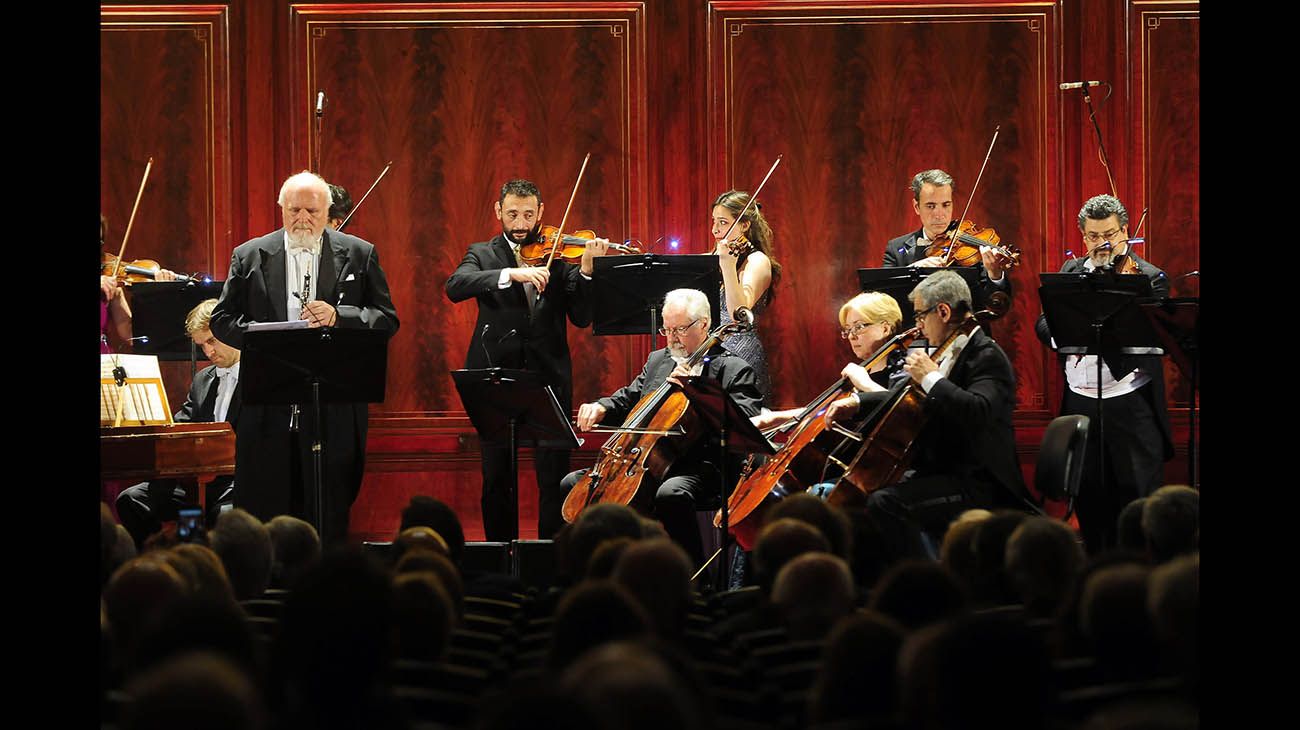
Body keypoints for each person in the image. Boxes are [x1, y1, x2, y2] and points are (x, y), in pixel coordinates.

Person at [210, 170, 399, 546]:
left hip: (333, 405)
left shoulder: (359, 252)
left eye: (312, 212)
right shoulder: (249, 254)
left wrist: (339, 316)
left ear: (329, 211)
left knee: (327, 508)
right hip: (267, 403)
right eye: (294, 210)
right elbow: (221, 319)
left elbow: (387, 319)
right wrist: (266, 338)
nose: (302, 220)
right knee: (266, 508)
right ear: (281, 209)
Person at [825, 270, 1036, 561]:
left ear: (944, 311)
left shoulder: (986, 355)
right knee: (865, 498)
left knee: (885, 503)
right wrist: (858, 403)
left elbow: (978, 411)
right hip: (941, 470)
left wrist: (931, 379)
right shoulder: (949, 352)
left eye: (921, 316)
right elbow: (911, 402)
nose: (919, 326)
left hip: (977, 480)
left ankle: (933, 585)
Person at [444, 179, 612, 541]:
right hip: (496, 379)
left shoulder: (560, 253)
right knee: (496, 478)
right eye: (513, 214)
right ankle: (499, 555)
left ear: (541, 212)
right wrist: (511, 274)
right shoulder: (482, 253)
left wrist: (585, 271)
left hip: (547, 379)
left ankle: (549, 560)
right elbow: (456, 285)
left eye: (529, 214)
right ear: (498, 211)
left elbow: (582, 316)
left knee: (552, 478)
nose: (521, 223)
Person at [560, 287, 762, 563]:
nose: (672, 338)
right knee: (572, 483)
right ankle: (604, 567)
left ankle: (691, 573)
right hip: (646, 461)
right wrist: (601, 406)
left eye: (679, 329)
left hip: (702, 464)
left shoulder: (733, 368)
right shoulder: (659, 361)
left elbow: (746, 421)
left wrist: (698, 390)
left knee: (671, 494)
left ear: (704, 324)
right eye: (667, 330)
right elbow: (630, 396)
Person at [1034, 193, 1172, 554]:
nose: (1103, 244)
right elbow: (1046, 321)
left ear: (1126, 231)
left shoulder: (1150, 277)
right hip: (1080, 399)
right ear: (1083, 237)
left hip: (1130, 403)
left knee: (1137, 497)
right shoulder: (1070, 272)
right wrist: (1060, 336)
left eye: (1110, 234)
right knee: (1088, 494)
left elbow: (1146, 333)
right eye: (1094, 237)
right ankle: (1096, 569)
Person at [115, 299, 241, 547]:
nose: (208, 352)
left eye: (211, 341)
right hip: (197, 482)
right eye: (201, 345)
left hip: (238, 480)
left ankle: (209, 573)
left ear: (229, 331)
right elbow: (182, 423)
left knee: (223, 515)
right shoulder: (202, 379)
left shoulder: (258, 375)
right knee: (131, 500)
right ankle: (164, 564)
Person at [884, 169, 1011, 306]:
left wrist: (995, 275)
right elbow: (884, 301)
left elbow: (996, 305)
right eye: (931, 206)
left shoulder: (974, 250)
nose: (939, 214)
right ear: (916, 207)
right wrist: (913, 270)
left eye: (946, 205)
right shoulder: (896, 249)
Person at [712, 190, 782, 405]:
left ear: (744, 225)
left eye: (723, 222)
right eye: (714, 221)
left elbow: (738, 314)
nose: (715, 230)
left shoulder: (757, 261)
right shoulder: (714, 258)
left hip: (739, 353)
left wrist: (728, 267)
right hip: (711, 351)